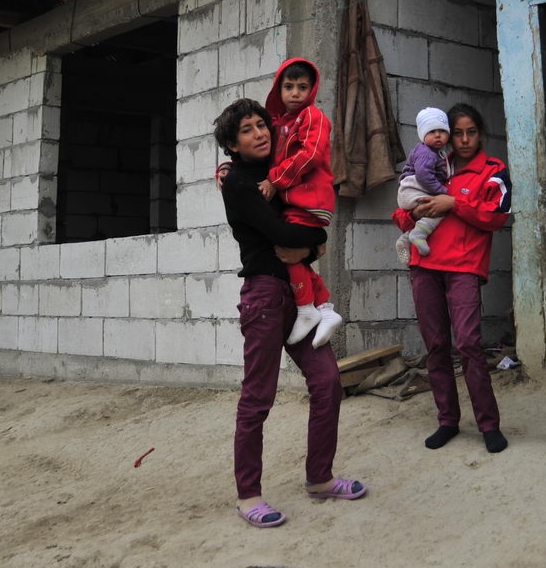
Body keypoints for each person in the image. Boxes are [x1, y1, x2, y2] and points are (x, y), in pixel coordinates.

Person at [214, 98, 368, 529]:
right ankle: (249, 495)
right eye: (247, 129)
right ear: (232, 143)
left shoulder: (282, 172)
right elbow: (281, 232)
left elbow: (315, 218)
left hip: (301, 296)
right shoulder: (238, 182)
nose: (260, 132)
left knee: (328, 382)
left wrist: (312, 244)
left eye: (262, 124)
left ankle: (320, 478)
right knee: (257, 398)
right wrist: (314, 239)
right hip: (265, 296)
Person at [392, 103, 511, 454]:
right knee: (436, 346)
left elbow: (496, 217)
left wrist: (452, 203)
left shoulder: (492, 169)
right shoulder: (430, 161)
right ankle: (448, 420)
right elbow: (399, 213)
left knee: (470, 344)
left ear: (480, 133)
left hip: (464, 267)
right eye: (457, 132)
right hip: (424, 266)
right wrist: (413, 212)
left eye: (470, 132)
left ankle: (488, 424)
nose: (462, 139)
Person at [259, 58, 342, 348]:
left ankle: (307, 308)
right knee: (292, 252)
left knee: (287, 249)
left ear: (312, 89)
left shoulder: (313, 116)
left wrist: (275, 179)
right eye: (289, 87)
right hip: (296, 199)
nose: (295, 93)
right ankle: (325, 309)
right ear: (278, 90)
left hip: (310, 198)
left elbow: (311, 156)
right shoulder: (280, 124)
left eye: (302, 87)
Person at [394, 106, 452, 265]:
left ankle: (405, 238)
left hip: (412, 190)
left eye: (442, 131)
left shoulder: (437, 152)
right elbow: (424, 176)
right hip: (414, 189)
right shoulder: (426, 153)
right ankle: (418, 234)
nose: (438, 135)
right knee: (439, 209)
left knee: (431, 211)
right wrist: (443, 192)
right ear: (422, 134)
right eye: (432, 132)